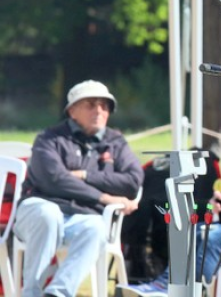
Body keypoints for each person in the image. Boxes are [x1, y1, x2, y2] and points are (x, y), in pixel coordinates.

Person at [121, 84, 221, 295]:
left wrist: (218, 188)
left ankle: (181, 289)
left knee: (208, 238)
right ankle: (169, 285)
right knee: (192, 230)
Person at [14, 80, 144, 297]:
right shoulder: (49, 138)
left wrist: (85, 175)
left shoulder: (116, 142)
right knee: (49, 214)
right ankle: (32, 293)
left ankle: (57, 294)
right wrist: (104, 196)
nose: (99, 110)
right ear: (72, 111)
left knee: (96, 227)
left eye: (104, 106)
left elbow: (132, 181)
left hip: (83, 215)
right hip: (39, 208)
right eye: (91, 104)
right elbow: (54, 180)